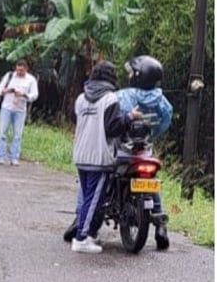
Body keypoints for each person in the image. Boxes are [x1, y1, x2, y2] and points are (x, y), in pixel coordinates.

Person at [69, 60, 143, 254]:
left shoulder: (80, 98)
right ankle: (81, 239)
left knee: (88, 198)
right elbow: (113, 128)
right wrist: (129, 118)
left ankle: (89, 234)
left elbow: (73, 119)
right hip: (99, 156)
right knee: (94, 201)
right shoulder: (110, 99)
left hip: (81, 154)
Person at [116, 55, 174, 248]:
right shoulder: (161, 100)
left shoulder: (125, 96)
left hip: (124, 149)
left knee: (106, 175)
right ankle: (161, 225)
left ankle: (88, 219)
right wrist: (152, 136)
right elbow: (164, 122)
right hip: (145, 151)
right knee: (149, 183)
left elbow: (114, 118)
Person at [0, 59, 39, 165]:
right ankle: (1, 156)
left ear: (26, 69)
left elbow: (34, 95)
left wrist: (23, 95)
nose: (19, 73)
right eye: (18, 70)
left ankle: (14, 157)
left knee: (17, 135)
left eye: (21, 71)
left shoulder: (31, 80)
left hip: (20, 110)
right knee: (2, 133)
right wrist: (6, 91)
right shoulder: (9, 76)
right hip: (7, 107)